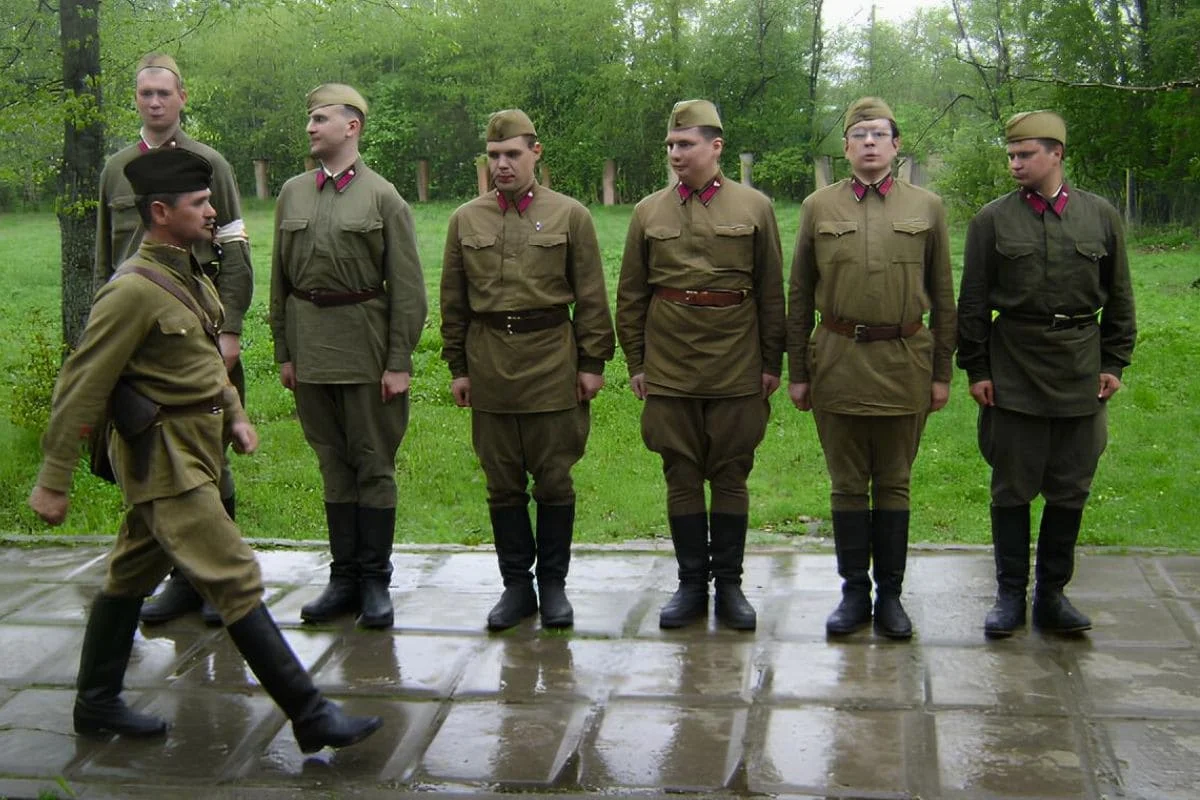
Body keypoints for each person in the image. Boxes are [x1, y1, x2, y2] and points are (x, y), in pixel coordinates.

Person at [28, 148, 380, 752]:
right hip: (163, 459)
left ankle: (95, 704)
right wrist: (53, 479)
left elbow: (200, 364)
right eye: (200, 203)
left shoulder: (189, 273)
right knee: (235, 576)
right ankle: (311, 715)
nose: (213, 210)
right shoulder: (131, 291)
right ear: (161, 212)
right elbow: (81, 384)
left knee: (131, 572)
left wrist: (237, 417)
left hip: (196, 448)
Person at [958, 111, 1136, 638]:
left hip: (1081, 370)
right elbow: (972, 303)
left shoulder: (1099, 216)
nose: (1015, 163)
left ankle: (1053, 595)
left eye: (1025, 154)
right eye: (1010, 155)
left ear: (1056, 153)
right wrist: (977, 367)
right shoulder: (991, 221)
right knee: (1011, 487)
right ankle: (1010, 595)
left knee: (1070, 487)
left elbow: (1121, 295)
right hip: (1013, 368)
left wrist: (1114, 361)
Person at [786, 97, 956, 640]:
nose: (868, 143)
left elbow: (945, 297)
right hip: (837, 360)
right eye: (858, 135)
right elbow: (797, 294)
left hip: (905, 361)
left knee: (896, 482)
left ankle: (893, 597)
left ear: (896, 144)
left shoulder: (927, 207)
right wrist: (798, 371)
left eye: (878, 134)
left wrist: (941, 372)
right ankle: (854, 594)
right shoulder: (818, 207)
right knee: (846, 485)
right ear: (845, 147)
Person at [95, 53, 254, 627]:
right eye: (146, 94)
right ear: (135, 100)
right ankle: (180, 580)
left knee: (209, 454)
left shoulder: (210, 163)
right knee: (148, 454)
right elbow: (103, 262)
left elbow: (235, 252)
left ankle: (214, 584)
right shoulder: (116, 170)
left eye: (165, 93)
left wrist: (229, 328)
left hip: (197, 330)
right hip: (135, 341)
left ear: (183, 97)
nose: (155, 103)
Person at [440, 109, 615, 631]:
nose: (502, 165)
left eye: (512, 154)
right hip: (490, 363)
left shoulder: (570, 216)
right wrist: (458, 367)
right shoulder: (465, 219)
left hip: (551, 363)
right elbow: (454, 301)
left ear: (535, 153)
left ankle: (553, 586)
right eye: (494, 157)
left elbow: (590, 296)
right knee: (503, 484)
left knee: (555, 479)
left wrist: (592, 363)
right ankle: (516, 586)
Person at [616, 100, 785, 631]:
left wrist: (771, 362)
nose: (675, 154)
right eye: (670, 145)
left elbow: (771, 292)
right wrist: (638, 362)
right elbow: (631, 295)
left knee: (732, 472)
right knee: (681, 472)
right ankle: (691, 585)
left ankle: (730, 586)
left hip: (736, 363)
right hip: (670, 365)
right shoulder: (648, 211)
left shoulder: (755, 207)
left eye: (685, 144)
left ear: (716, 147)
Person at [269, 84, 427, 629]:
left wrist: (399, 360)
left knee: (372, 464)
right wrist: (284, 351)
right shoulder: (292, 193)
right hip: (310, 349)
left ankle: (375, 581)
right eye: (309, 119)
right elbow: (279, 282)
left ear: (351, 126)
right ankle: (342, 579)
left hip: (365, 349)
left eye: (320, 119)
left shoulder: (384, 198)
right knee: (332, 464)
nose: (311, 127)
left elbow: (408, 288)